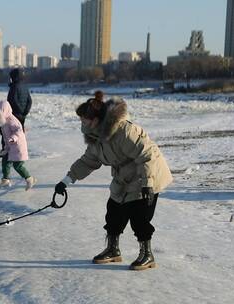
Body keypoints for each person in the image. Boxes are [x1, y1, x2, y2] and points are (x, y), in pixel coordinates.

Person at [54, 97, 173, 271]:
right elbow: (88, 161)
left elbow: (148, 155)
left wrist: (148, 183)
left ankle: (147, 254)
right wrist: (67, 180)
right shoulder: (95, 136)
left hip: (146, 174)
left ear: (95, 119)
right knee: (114, 211)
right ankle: (112, 250)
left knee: (139, 217)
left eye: (84, 119)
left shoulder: (124, 131)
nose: (81, 122)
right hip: (123, 176)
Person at [0, 100, 36, 190]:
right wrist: (5, 149)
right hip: (10, 147)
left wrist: (13, 138)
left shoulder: (11, 120)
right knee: (5, 161)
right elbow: (6, 138)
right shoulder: (4, 122)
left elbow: (19, 130)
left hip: (18, 146)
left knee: (17, 165)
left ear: (4, 112)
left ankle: (30, 179)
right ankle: (5, 180)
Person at [0, 69, 33, 156]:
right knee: (19, 133)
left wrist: (17, 112)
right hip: (22, 115)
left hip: (14, 115)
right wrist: (24, 113)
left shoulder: (14, 87)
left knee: (6, 132)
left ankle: (6, 151)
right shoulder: (25, 86)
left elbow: (12, 101)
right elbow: (29, 101)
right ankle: (17, 151)